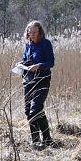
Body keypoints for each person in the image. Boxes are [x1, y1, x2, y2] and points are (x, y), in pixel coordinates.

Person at [18, 20, 55, 149]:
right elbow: (25, 60)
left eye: (34, 32)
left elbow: (50, 63)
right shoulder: (28, 45)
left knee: (36, 109)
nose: (32, 34)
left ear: (40, 32)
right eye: (29, 32)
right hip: (28, 80)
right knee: (28, 111)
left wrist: (38, 66)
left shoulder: (46, 44)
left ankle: (46, 139)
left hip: (42, 79)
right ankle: (37, 140)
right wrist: (21, 64)